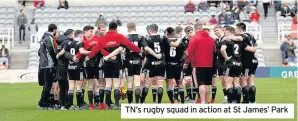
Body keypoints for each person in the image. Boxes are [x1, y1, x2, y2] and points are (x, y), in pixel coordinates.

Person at [87, 22, 141, 109]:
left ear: (109, 28)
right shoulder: (119, 36)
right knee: (116, 84)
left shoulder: (103, 38)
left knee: (108, 84)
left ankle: (107, 104)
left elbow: (95, 49)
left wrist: (89, 57)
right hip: (117, 63)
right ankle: (116, 104)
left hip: (107, 63)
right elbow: (129, 45)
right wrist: (139, 50)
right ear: (116, 28)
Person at [186, 24, 215, 104]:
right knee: (207, 84)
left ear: (195, 30)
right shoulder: (211, 38)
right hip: (209, 64)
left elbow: (189, 51)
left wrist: (187, 62)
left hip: (198, 64)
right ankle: (207, 101)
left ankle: (202, 102)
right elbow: (214, 50)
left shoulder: (194, 38)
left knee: (201, 83)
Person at [232, 23, 258, 104]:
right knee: (251, 82)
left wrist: (228, 36)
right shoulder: (251, 36)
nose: (235, 31)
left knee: (243, 82)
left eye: (236, 29)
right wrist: (254, 48)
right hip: (254, 61)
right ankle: (253, 101)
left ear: (240, 29)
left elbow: (240, 38)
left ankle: (246, 101)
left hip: (246, 62)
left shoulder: (243, 36)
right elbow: (256, 44)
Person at [139, 24, 166, 104]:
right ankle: (159, 103)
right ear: (157, 30)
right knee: (160, 83)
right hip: (161, 62)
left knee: (147, 84)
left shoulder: (146, 38)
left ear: (150, 30)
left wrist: (155, 55)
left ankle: (142, 101)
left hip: (151, 63)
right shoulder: (163, 38)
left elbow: (146, 49)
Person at [37, 24, 58, 109]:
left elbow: (39, 52)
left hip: (43, 64)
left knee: (47, 84)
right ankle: (42, 102)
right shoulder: (49, 38)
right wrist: (55, 62)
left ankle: (45, 101)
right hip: (48, 65)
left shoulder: (43, 38)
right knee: (48, 85)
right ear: (54, 30)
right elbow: (51, 51)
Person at [164, 26, 187, 104]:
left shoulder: (165, 40)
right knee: (180, 83)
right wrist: (181, 59)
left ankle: (172, 102)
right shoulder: (180, 41)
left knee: (169, 85)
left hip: (169, 65)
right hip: (178, 65)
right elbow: (186, 53)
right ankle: (183, 103)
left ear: (167, 34)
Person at [55, 29, 76, 110]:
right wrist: (73, 58)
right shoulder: (67, 42)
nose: (74, 36)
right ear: (69, 35)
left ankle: (61, 104)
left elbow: (59, 53)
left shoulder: (60, 42)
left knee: (62, 86)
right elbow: (65, 53)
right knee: (67, 86)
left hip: (60, 66)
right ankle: (67, 104)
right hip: (65, 66)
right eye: (73, 34)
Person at [123, 23, 144, 104]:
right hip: (138, 61)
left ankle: (130, 102)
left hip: (129, 61)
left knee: (129, 82)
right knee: (137, 82)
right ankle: (138, 102)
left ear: (128, 28)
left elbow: (121, 49)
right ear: (135, 28)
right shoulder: (140, 37)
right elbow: (145, 49)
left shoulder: (125, 37)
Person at [182, 26, 197, 103]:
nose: (189, 34)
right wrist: (185, 62)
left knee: (195, 80)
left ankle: (194, 98)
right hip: (187, 62)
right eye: (188, 32)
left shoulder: (197, 39)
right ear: (185, 33)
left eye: (190, 32)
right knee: (187, 80)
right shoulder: (183, 40)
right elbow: (184, 52)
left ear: (193, 31)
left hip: (196, 62)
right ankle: (190, 97)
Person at [212, 25, 227, 103]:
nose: (216, 32)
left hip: (226, 63)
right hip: (219, 63)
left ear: (221, 29)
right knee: (222, 82)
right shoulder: (217, 40)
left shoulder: (226, 38)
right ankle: (226, 98)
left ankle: (232, 98)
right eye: (214, 31)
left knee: (228, 81)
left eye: (217, 30)